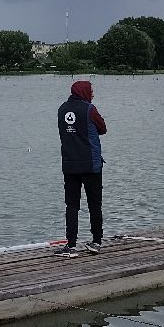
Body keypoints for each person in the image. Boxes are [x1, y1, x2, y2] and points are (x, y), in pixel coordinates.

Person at [56, 80, 108, 256]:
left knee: (72, 206)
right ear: (84, 92)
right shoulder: (89, 109)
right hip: (91, 165)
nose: (92, 94)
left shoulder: (62, 109)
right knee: (94, 204)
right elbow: (103, 128)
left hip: (70, 165)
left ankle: (71, 246)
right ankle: (96, 242)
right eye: (91, 91)